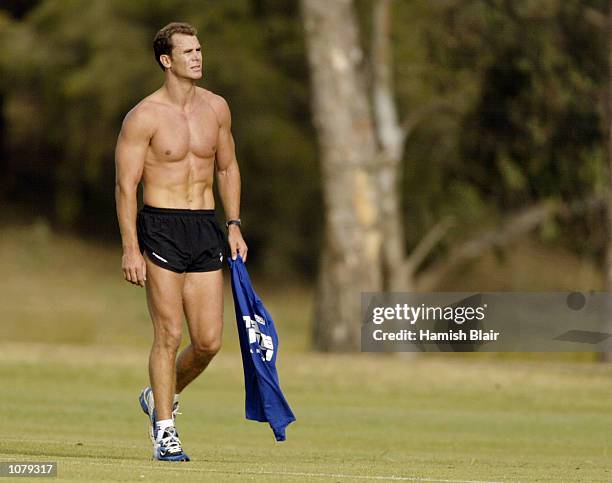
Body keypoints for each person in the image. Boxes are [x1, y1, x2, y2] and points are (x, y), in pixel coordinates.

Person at [114, 21, 247, 462]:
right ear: (166, 60)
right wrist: (131, 247)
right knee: (169, 333)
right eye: (187, 51)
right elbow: (125, 186)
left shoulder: (217, 108)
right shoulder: (144, 116)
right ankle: (165, 432)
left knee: (208, 341)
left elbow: (227, 168)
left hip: (205, 226)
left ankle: (158, 398)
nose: (197, 57)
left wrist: (233, 224)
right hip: (160, 227)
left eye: (199, 49)